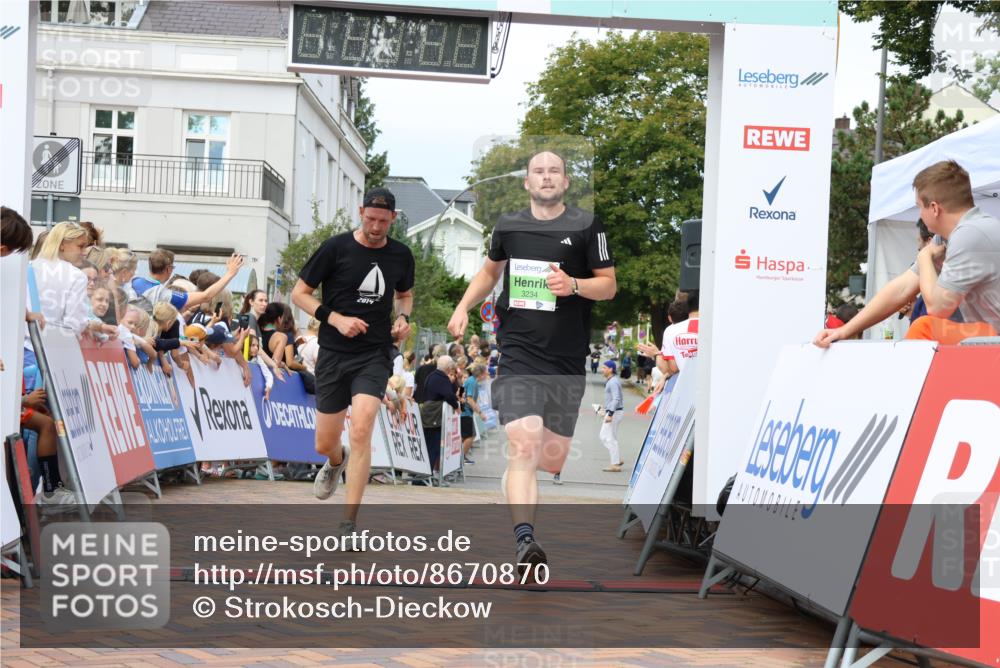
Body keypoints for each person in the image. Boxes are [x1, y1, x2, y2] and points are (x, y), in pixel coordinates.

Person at [447, 150, 616, 579]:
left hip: (566, 359)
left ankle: (517, 482)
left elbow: (609, 286)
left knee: (551, 460)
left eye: (553, 171)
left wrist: (574, 284)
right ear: (526, 182)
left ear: (565, 181)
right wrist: (465, 304)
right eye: (538, 172)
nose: (546, 177)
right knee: (524, 444)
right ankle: (525, 541)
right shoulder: (509, 225)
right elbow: (489, 272)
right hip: (519, 351)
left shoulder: (587, 226)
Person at [290, 187, 414, 535]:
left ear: (393, 218)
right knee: (324, 443)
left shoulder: (401, 255)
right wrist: (335, 319)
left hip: (374, 354)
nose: (376, 227)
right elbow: (298, 294)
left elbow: (404, 295)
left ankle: (349, 522)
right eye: (371, 219)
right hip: (333, 354)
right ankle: (335, 460)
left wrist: (403, 319)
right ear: (361, 212)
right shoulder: (336, 248)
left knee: (362, 428)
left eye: (383, 221)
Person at [815, 160, 1000, 347]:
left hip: (992, 343)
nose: (919, 215)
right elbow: (901, 289)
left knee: (925, 327)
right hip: (990, 341)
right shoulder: (951, 236)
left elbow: (938, 307)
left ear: (935, 208)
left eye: (919, 206)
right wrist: (845, 330)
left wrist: (924, 256)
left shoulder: (970, 235)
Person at [131, 248, 244, 315]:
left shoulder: (134, 282)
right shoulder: (164, 294)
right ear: (168, 269)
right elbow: (206, 296)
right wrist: (230, 273)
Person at [599, 359, 625, 472]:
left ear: (611, 369)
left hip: (614, 413)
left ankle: (615, 464)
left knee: (608, 438)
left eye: (604, 368)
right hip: (614, 412)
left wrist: (610, 413)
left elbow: (616, 399)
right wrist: (605, 409)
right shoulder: (612, 380)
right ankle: (617, 459)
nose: (602, 370)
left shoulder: (613, 382)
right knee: (607, 437)